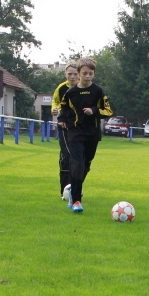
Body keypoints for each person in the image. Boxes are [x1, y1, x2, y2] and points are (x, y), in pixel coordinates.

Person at [57, 58, 112, 213]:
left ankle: (73, 191)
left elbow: (108, 111)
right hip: (75, 133)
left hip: (92, 134)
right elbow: (63, 109)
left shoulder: (98, 91)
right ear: (79, 73)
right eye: (84, 73)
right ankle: (76, 201)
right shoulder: (70, 93)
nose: (87, 76)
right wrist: (61, 120)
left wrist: (93, 110)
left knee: (85, 165)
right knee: (76, 164)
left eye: (90, 73)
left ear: (93, 74)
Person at [52, 63, 79, 200]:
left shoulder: (84, 88)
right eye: (70, 74)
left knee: (80, 159)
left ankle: (76, 189)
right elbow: (55, 102)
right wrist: (55, 109)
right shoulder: (61, 88)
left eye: (75, 74)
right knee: (66, 157)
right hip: (64, 126)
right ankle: (65, 191)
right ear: (65, 74)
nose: (73, 76)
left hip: (80, 129)